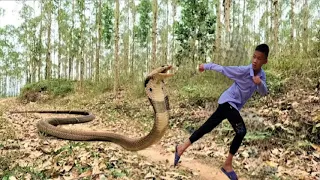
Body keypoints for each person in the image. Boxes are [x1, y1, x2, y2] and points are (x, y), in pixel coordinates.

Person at [173, 44, 269, 180]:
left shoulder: (262, 75)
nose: (255, 61)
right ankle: (227, 165)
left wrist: (259, 83)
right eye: (254, 57)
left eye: (259, 58)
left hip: (230, 105)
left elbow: (264, 92)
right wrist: (205, 66)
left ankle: (181, 148)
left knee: (207, 127)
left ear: (265, 61)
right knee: (241, 131)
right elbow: (223, 69)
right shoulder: (243, 71)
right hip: (228, 102)